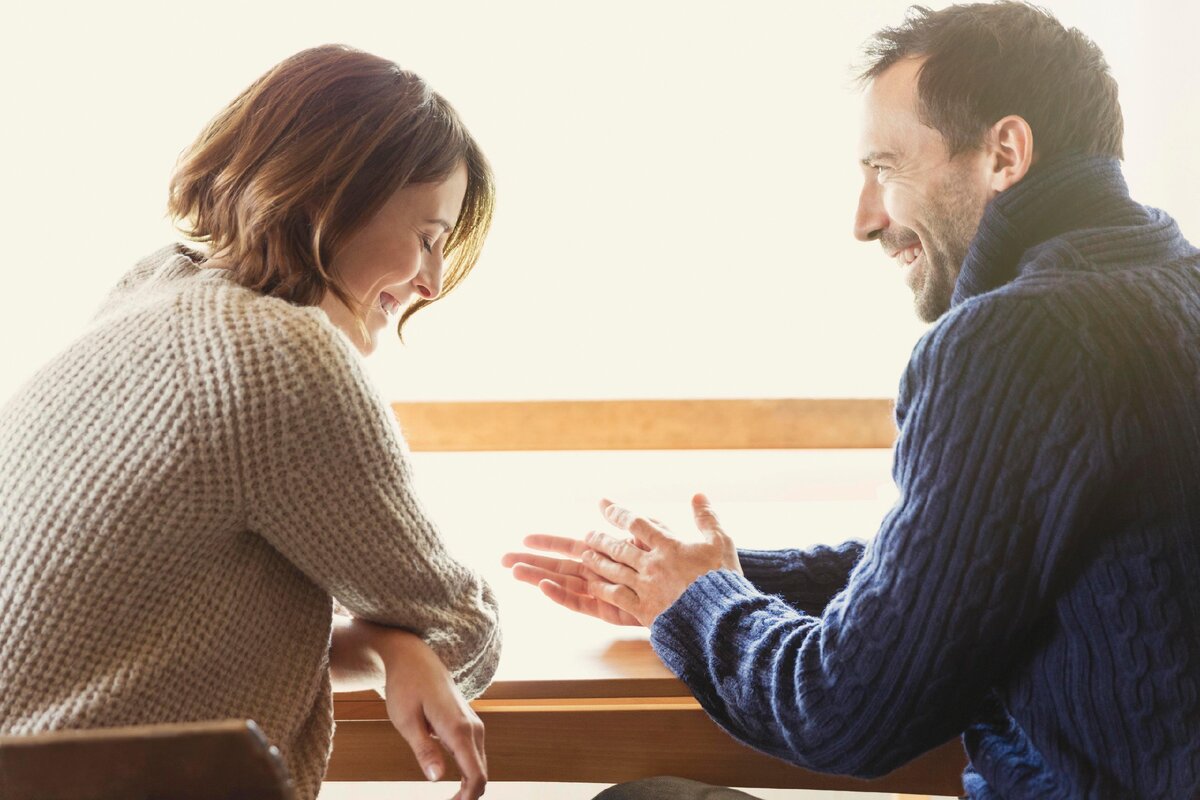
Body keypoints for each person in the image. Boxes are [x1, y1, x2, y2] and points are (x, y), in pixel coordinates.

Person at [503, 3, 1200, 797]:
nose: (864, 220)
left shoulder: (1015, 340)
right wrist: (704, 576)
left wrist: (696, 602)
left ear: (1003, 154)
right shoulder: (1175, 289)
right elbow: (961, 563)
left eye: (885, 168)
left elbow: (843, 707)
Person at [0, 45, 500, 800]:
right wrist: (398, 642)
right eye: (428, 238)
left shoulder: (153, 290)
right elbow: (462, 630)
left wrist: (381, 647)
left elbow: (166, 626)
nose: (431, 282)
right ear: (334, 197)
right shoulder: (277, 357)